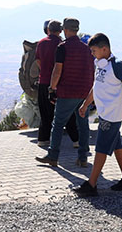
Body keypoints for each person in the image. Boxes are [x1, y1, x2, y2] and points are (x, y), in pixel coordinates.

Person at [74, 33, 122, 197]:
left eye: (94, 50)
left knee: (101, 147)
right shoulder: (100, 65)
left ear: (105, 49)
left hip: (112, 115)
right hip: (104, 113)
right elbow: (96, 86)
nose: (92, 54)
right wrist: (85, 104)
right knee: (117, 145)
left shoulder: (118, 65)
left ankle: (91, 184)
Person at [36, 17, 93, 169]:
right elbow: (91, 71)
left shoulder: (63, 47)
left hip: (67, 92)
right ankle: (83, 158)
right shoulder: (86, 48)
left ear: (66, 30)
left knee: (58, 124)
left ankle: (53, 156)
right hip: (84, 93)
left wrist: (52, 88)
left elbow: (57, 70)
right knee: (83, 125)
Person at [35, 20, 79, 148]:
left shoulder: (41, 43)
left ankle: (43, 139)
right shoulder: (61, 44)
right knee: (66, 112)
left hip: (43, 81)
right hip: (59, 83)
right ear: (60, 31)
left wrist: (45, 70)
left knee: (45, 112)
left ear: (48, 30)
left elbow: (38, 60)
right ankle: (76, 140)